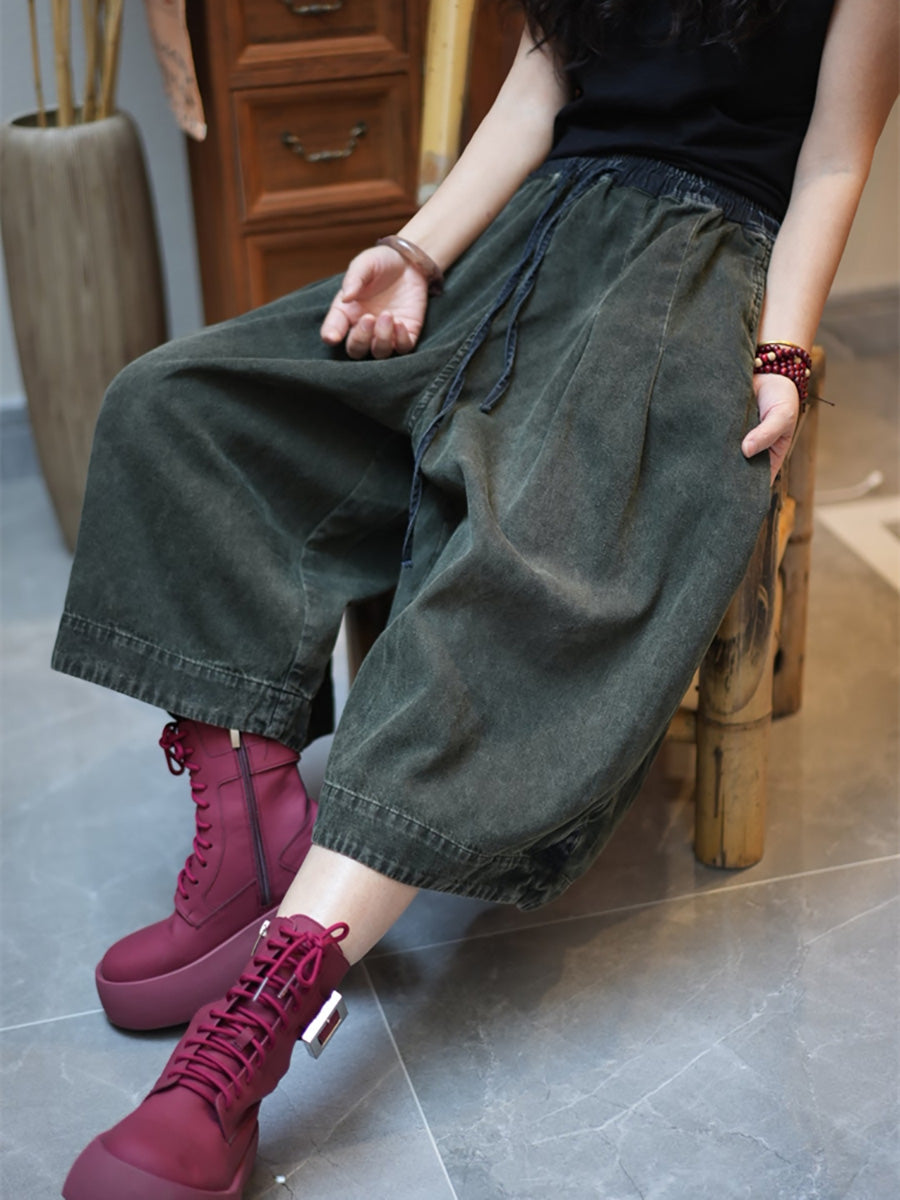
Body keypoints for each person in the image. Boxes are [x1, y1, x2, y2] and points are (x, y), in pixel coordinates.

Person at [57, 0, 896, 1195]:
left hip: (692, 273)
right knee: (177, 407)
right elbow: (534, 100)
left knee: (530, 563)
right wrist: (414, 254)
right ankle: (249, 821)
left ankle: (252, 1024)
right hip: (524, 247)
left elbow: (834, 157)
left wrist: (783, 352)